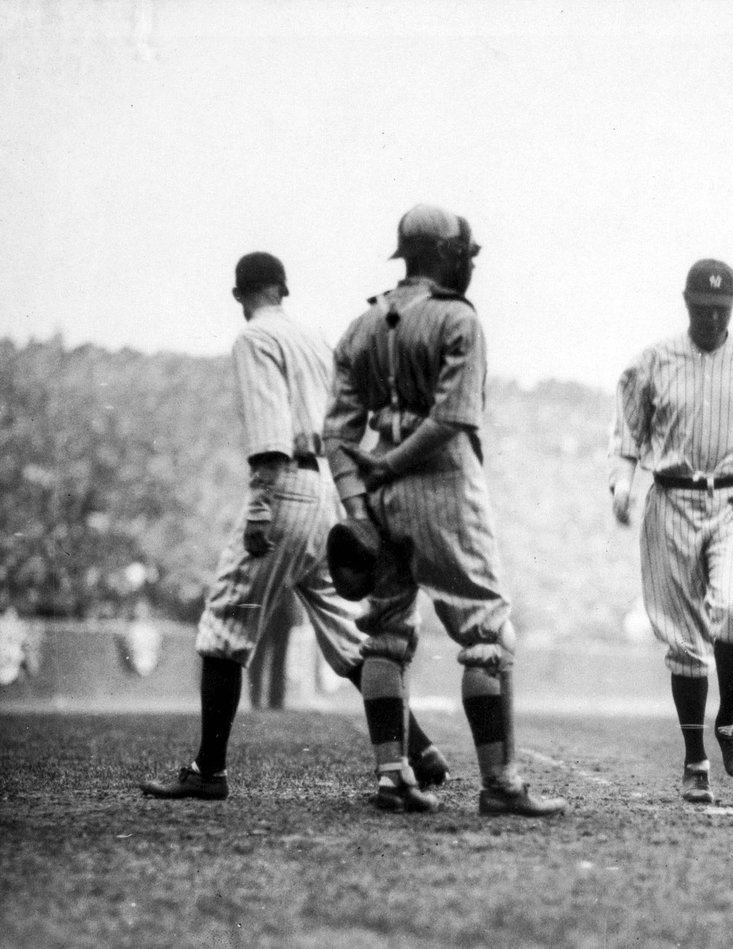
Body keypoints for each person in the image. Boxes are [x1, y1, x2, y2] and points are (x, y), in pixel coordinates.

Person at [141, 252, 447, 801]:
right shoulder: (313, 337)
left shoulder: (254, 337)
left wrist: (261, 505)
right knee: (352, 636)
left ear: (239, 296)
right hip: (327, 490)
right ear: (284, 288)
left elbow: (267, 425)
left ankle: (208, 771)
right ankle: (418, 748)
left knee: (223, 624)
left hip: (282, 486)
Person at [323, 204, 566, 817]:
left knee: (384, 632)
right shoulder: (457, 318)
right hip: (443, 484)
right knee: (485, 632)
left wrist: (361, 501)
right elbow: (455, 416)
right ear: (446, 255)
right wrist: (398, 463)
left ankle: (392, 776)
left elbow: (337, 432)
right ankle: (501, 785)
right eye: (463, 255)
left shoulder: (363, 324)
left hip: (378, 495)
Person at [609, 258, 733, 804]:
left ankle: (727, 719)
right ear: (686, 303)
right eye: (703, 308)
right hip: (673, 495)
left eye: (722, 310)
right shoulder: (654, 360)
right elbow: (628, 436)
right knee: (685, 641)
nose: (712, 319)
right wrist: (621, 483)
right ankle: (694, 760)